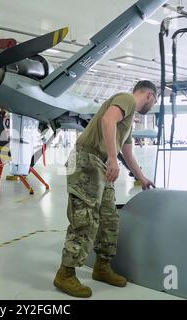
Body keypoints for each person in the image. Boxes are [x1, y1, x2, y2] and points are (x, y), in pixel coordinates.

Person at [53, 80, 157, 298]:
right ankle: (65, 273)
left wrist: (142, 178)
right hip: (87, 160)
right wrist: (112, 157)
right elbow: (108, 120)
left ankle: (102, 267)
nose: (153, 105)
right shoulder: (127, 99)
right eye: (154, 100)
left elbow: (128, 153)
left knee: (109, 219)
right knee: (85, 220)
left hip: (100, 165)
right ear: (149, 95)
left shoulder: (128, 121)